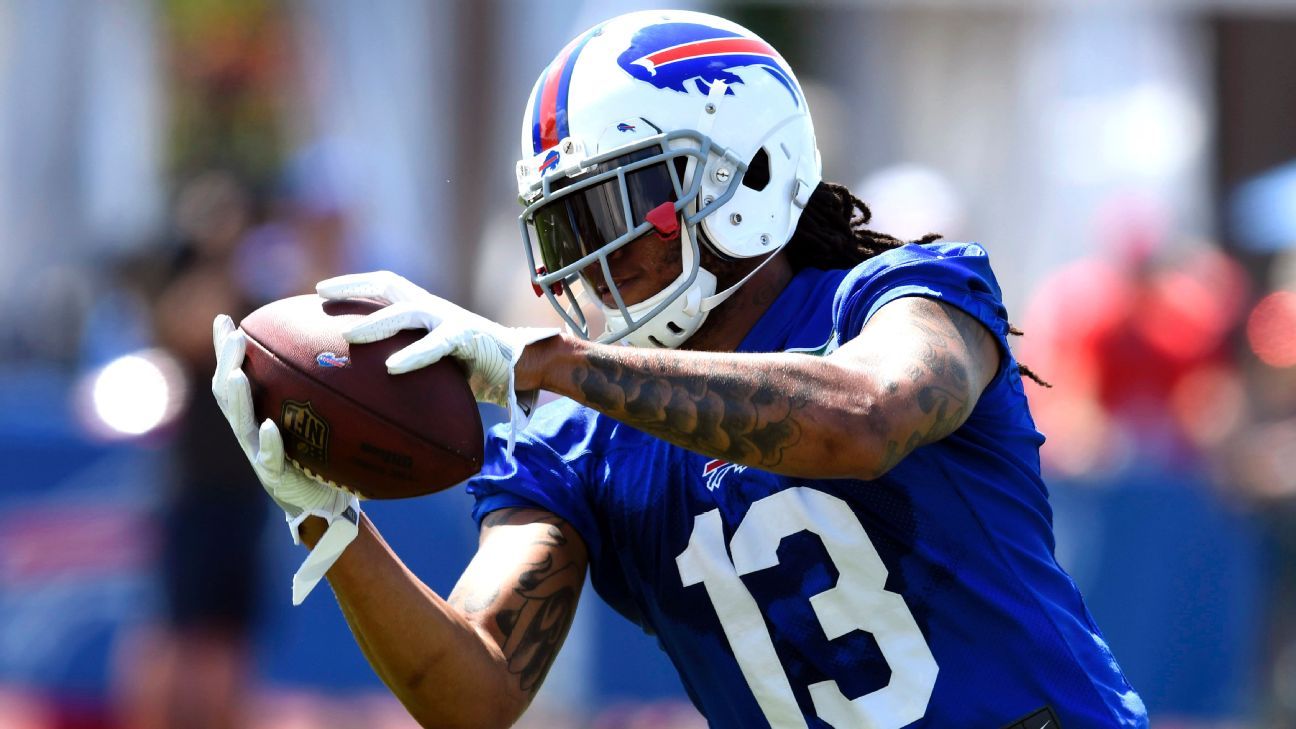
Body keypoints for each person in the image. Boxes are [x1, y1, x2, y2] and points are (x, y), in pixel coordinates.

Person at [211, 10, 1147, 728]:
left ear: (747, 171)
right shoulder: (575, 438)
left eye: (624, 204)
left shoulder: (906, 296)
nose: (597, 254)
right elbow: (476, 688)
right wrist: (328, 519)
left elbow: (868, 416)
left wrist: (548, 360)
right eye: (568, 225)